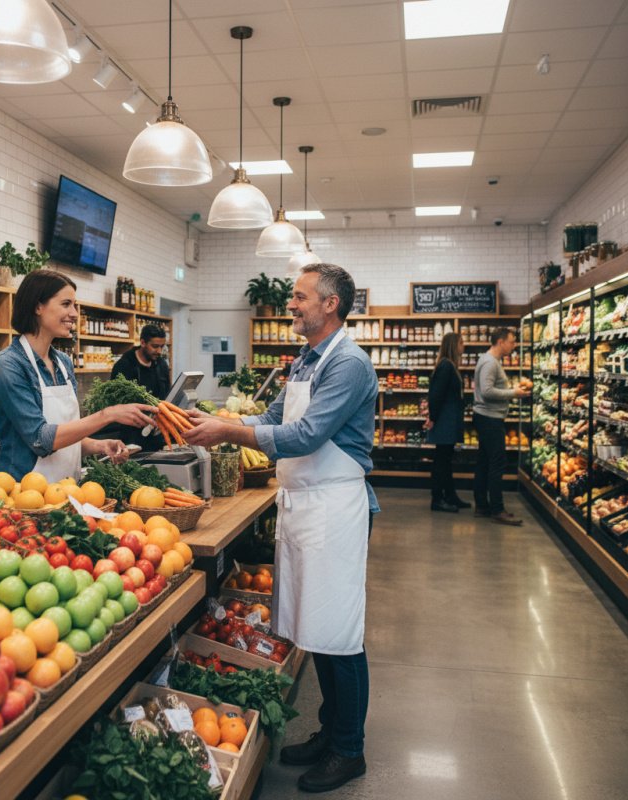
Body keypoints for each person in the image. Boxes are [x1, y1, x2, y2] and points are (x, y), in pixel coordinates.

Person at [184, 263, 377, 793]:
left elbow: (308, 433)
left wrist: (228, 429)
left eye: (299, 296)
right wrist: (220, 423)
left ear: (330, 304)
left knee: (340, 635)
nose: (290, 304)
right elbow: (272, 417)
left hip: (334, 508)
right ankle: (329, 732)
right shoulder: (307, 360)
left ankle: (348, 751)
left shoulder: (349, 364)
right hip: (304, 506)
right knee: (317, 629)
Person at [0, 270, 155, 483]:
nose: (75, 314)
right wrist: (108, 414)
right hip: (23, 495)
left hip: (67, 490)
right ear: (38, 306)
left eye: (74, 305)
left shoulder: (63, 363)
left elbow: (66, 435)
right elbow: (41, 439)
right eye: (66, 304)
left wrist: (98, 445)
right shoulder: (9, 365)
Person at [473, 327, 531, 525]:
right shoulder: (490, 362)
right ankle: (497, 509)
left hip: (486, 417)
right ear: (500, 342)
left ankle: (481, 505)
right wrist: (513, 393)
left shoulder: (489, 360)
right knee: (497, 463)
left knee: (484, 462)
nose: (514, 345)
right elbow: (487, 391)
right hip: (490, 418)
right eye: (512, 341)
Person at [108, 324, 171, 449]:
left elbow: (167, 394)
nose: (159, 351)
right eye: (155, 346)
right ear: (142, 342)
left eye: (162, 347)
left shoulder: (161, 365)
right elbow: (117, 402)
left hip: (158, 431)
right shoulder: (124, 366)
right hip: (132, 435)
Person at [425, 332, 467, 513]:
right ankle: (437, 499)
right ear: (453, 345)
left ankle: (450, 495)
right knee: (441, 461)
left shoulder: (449, 365)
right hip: (444, 420)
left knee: (445, 459)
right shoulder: (446, 367)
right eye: (461, 342)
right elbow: (436, 395)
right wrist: (433, 418)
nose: (463, 345)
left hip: (447, 418)